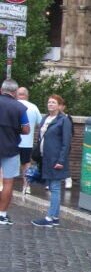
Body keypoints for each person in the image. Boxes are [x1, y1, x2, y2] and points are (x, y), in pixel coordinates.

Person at [32, 94, 73, 228]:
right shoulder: (45, 118)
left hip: (55, 159)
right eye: (49, 102)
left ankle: (50, 218)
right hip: (45, 157)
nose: (50, 104)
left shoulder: (64, 120)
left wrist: (61, 160)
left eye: (54, 102)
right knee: (52, 187)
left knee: (54, 188)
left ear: (59, 106)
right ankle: (54, 217)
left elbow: (66, 143)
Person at [0, 79, 30, 225]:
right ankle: (2, 215)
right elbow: (26, 129)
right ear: (15, 92)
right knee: (8, 181)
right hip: (10, 148)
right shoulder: (20, 108)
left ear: (1, 90)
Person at [17, 86, 42, 195]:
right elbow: (40, 123)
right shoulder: (33, 107)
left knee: (5, 163)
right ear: (27, 95)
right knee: (26, 164)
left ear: (17, 94)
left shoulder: (12, 105)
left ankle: (2, 185)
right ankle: (26, 186)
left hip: (11, 141)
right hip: (27, 142)